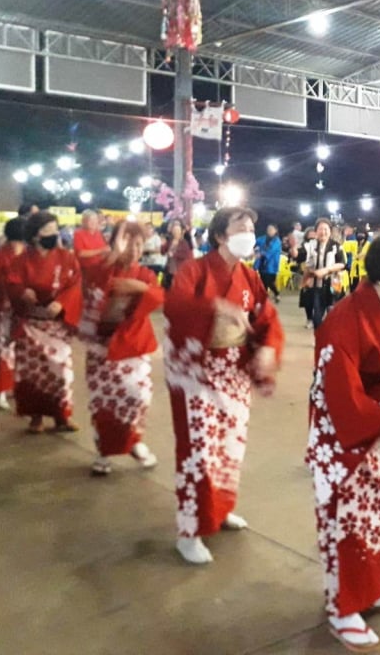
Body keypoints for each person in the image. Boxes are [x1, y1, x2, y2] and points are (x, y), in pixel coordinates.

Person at [306, 233, 380, 652]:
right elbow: (340, 389)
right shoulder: (344, 318)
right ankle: (342, 607)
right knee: (348, 521)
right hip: (343, 436)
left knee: (377, 517)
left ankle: (369, 588)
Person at [163, 206, 284, 564]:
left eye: (251, 227)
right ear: (219, 235)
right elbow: (175, 306)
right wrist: (215, 306)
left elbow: (267, 319)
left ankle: (219, 508)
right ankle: (190, 529)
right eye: (240, 226)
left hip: (233, 374)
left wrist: (267, 350)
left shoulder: (249, 276)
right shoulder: (195, 270)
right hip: (198, 374)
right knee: (200, 451)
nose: (249, 231)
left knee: (230, 447)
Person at [80, 222, 163, 476]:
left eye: (140, 244)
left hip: (132, 345)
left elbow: (159, 296)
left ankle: (134, 441)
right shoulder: (101, 269)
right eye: (128, 242)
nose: (135, 249)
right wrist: (112, 255)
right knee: (104, 403)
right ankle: (103, 451)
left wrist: (140, 288)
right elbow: (91, 278)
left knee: (138, 397)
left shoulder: (145, 275)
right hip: (100, 348)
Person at [6, 211, 83, 434]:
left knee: (61, 372)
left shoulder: (67, 258)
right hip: (31, 323)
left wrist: (63, 301)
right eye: (47, 231)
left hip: (56, 324)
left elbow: (75, 284)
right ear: (34, 236)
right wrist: (22, 292)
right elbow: (12, 283)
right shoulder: (21, 261)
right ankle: (36, 415)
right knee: (32, 373)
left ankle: (62, 415)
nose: (54, 234)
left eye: (55, 229)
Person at [0, 217, 26, 411]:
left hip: (17, 307)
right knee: (6, 350)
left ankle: (9, 389)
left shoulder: (0, 254)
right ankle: (2, 390)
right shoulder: (4, 255)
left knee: (13, 350)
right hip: (7, 307)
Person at [302, 218, 345, 331]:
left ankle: (331, 340)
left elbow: (342, 264)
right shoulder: (312, 246)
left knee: (332, 315)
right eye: (320, 229)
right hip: (317, 286)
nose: (323, 232)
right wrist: (306, 279)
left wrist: (327, 270)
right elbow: (309, 265)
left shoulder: (336, 246)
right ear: (316, 231)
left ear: (330, 231)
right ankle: (319, 338)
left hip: (333, 286)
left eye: (326, 229)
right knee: (317, 316)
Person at [73, 209, 109, 278]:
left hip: (99, 268)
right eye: (90, 220)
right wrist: (101, 250)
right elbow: (81, 253)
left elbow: (104, 250)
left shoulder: (98, 233)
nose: (94, 222)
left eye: (95, 220)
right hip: (84, 270)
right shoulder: (78, 234)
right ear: (84, 221)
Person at [162, 219, 194, 291]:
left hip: (179, 270)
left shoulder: (184, 243)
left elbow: (186, 255)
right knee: (167, 287)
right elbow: (163, 252)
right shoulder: (170, 241)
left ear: (182, 232)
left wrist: (173, 254)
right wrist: (163, 245)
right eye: (174, 230)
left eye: (177, 230)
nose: (175, 232)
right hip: (169, 268)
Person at [255, 224, 283, 303]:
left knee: (270, 282)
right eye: (268, 229)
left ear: (275, 231)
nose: (269, 230)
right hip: (262, 264)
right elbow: (254, 243)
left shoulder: (277, 241)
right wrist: (256, 250)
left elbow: (271, 251)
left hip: (271, 265)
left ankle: (276, 293)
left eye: (271, 229)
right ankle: (264, 298)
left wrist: (261, 253)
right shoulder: (262, 239)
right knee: (263, 281)